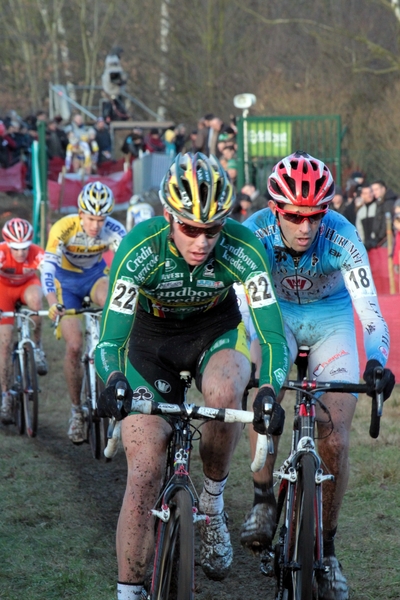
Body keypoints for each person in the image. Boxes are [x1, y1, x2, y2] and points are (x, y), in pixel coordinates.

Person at [94, 152, 290, 599]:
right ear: (169, 216)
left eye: (213, 229)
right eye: (189, 228)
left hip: (213, 333)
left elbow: (274, 337)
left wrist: (268, 392)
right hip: (150, 343)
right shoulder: (140, 248)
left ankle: (214, 504)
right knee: (144, 469)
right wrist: (113, 380)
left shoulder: (242, 247)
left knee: (224, 391)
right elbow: (108, 342)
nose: (202, 241)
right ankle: (128, 591)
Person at [237, 151, 394, 600]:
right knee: (263, 398)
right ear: (274, 209)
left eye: (315, 216)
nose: (306, 227)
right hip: (276, 318)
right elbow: (248, 305)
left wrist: (377, 361)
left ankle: (326, 549)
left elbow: (369, 312)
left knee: (336, 437)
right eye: (294, 216)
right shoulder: (255, 233)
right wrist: (261, 356)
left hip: (332, 321)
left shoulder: (343, 236)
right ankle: (264, 498)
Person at [41, 181, 126, 443]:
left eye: (101, 219)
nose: (95, 225)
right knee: (75, 347)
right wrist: (53, 302)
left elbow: (128, 264)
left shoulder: (114, 230)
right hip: (66, 285)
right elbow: (47, 268)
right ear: (80, 213)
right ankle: (76, 411)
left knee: (112, 299)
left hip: (94, 277)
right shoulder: (64, 227)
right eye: (90, 218)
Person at [0, 219, 47, 424]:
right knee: (5, 344)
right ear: (8, 243)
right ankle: (6, 395)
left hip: (27, 286)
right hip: (4, 291)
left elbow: (48, 275)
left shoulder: (36, 252)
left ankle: (36, 346)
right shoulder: (1, 252)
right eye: (16, 248)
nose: (21, 253)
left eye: (25, 247)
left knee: (37, 301)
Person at [355, 183, 387, 250]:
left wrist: (377, 239)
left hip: (379, 245)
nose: (369, 195)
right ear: (362, 195)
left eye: (370, 192)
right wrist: (362, 245)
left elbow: (382, 225)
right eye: (366, 193)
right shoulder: (360, 212)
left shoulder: (378, 207)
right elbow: (360, 231)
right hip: (366, 248)